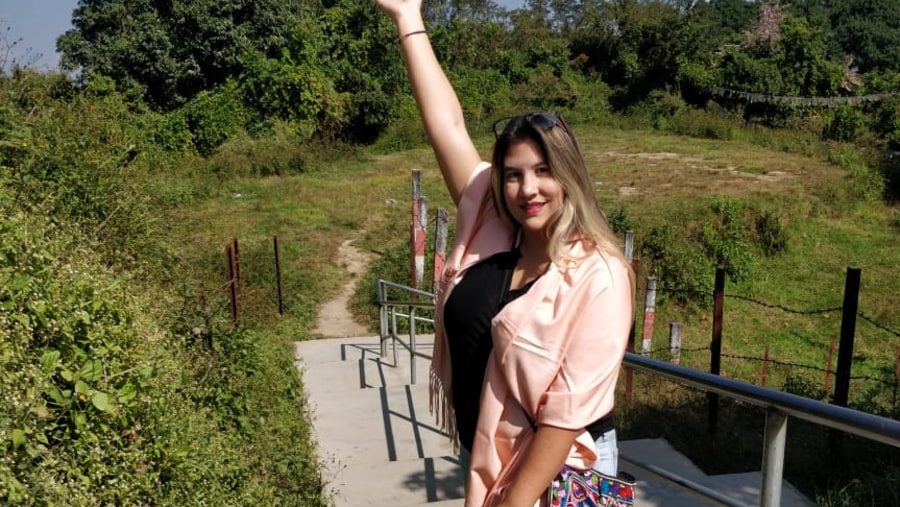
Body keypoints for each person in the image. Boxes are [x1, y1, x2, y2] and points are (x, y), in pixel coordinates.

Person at [373, 1, 636, 505]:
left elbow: (563, 418)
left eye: (542, 171)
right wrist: (408, 17)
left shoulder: (599, 274)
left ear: (569, 176)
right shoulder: (494, 228)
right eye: (513, 175)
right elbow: (446, 127)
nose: (528, 189)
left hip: (566, 461)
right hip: (493, 453)